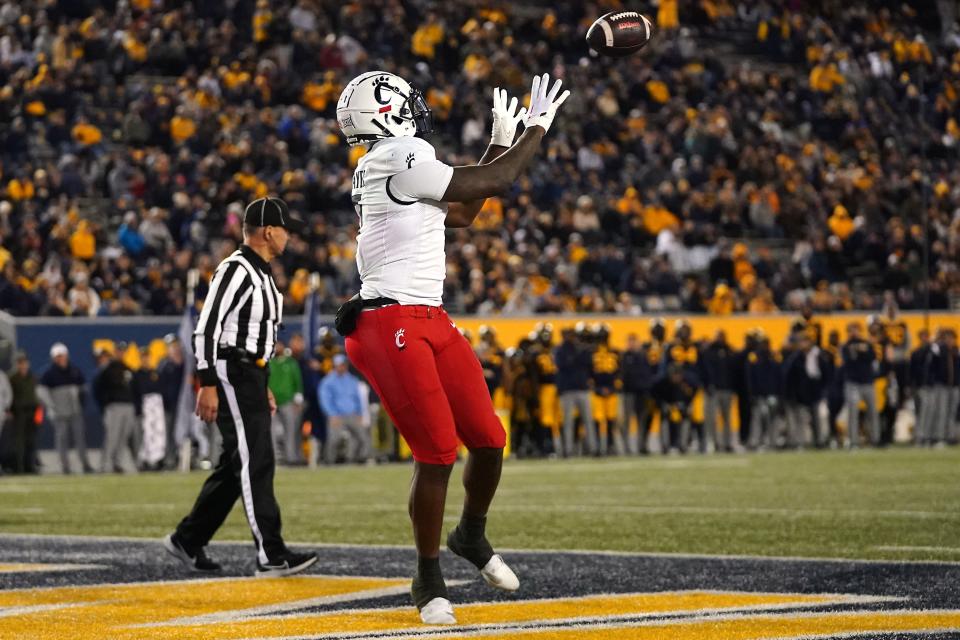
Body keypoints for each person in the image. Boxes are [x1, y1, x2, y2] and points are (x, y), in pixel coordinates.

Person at [335, 71, 568, 623]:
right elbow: (500, 181)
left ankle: (471, 535)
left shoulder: (393, 162)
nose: (417, 107)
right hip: (389, 320)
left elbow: (463, 209)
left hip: (428, 316)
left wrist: (497, 145)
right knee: (438, 450)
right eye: (407, 101)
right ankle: (427, 576)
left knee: (489, 439)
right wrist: (534, 131)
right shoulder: (397, 156)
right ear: (389, 113)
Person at [165, 196, 317, 577]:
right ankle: (271, 553)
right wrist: (207, 383)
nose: (289, 237)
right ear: (268, 231)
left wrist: (262, 375)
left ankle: (188, 539)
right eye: (285, 229)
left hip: (249, 372)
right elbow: (208, 326)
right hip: (232, 369)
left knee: (238, 465)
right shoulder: (237, 269)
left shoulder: (262, 272)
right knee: (256, 461)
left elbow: (252, 335)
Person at [37, 343, 93, 474]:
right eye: (58, 356)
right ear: (53, 358)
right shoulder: (48, 373)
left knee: (80, 438)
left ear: (66, 356)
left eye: (62, 356)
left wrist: (80, 402)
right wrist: (51, 406)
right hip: (59, 412)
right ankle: (65, 466)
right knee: (61, 439)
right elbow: (42, 392)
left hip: (75, 410)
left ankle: (85, 464)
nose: (60, 359)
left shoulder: (74, 370)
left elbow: (84, 388)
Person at [93, 346, 139, 473]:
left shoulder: (126, 367)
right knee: (112, 437)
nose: (121, 353)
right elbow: (97, 388)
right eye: (119, 351)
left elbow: (134, 388)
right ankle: (104, 465)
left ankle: (117, 463)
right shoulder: (108, 368)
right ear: (115, 352)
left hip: (128, 406)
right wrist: (105, 405)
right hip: (114, 406)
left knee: (123, 437)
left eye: (123, 351)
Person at [317, 354, 368, 464]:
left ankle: (357, 459)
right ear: (334, 366)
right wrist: (332, 414)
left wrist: (360, 413)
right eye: (339, 365)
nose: (341, 367)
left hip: (353, 414)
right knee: (334, 439)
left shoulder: (352, 380)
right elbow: (325, 399)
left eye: (343, 365)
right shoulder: (328, 381)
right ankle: (329, 460)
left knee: (362, 437)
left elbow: (358, 398)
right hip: (337, 415)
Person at [556, 324, 597, 457]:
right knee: (568, 422)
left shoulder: (582, 349)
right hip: (568, 390)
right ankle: (567, 450)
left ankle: (593, 449)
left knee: (588, 421)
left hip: (582, 389)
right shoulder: (561, 350)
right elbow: (563, 364)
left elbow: (589, 365)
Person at [842, 321, 880, 448]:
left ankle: (875, 439)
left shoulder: (867, 344)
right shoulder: (846, 346)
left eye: (856, 329)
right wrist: (857, 350)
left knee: (873, 412)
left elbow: (872, 357)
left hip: (867, 382)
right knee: (853, 412)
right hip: (853, 383)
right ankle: (853, 441)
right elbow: (847, 361)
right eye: (851, 330)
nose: (854, 332)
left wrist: (861, 350)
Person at [268, 339, 305, 465]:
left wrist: (298, 400)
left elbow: (297, 381)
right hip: (271, 401)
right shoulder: (268, 362)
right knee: (270, 432)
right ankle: (273, 458)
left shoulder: (291, 363)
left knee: (291, 431)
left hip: (288, 401)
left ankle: (291, 457)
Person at [702, 330, 737, 452]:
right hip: (714, 390)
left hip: (726, 389)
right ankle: (713, 442)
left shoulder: (729, 351)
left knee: (727, 419)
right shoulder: (708, 352)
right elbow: (705, 371)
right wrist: (707, 386)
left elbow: (734, 371)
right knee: (712, 419)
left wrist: (733, 387)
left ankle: (727, 443)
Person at [157, 334, 185, 470]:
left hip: (185, 406)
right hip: (169, 406)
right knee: (170, 433)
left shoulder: (186, 364)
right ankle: (170, 460)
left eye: (176, 345)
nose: (174, 349)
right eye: (171, 346)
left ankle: (187, 459)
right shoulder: (164, 365)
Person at [8, 354, 36, 474]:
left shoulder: (32, 377)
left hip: (32, 411)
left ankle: (30, 467)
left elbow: (35, 394)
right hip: (19, 413)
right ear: (17, 364)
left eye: (24, 362)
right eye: (20, 363)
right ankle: (19, 468)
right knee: (19, 442)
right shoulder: (12, 378)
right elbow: (9, 396)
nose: (23, 365)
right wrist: (10, 410)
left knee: (31, 441)